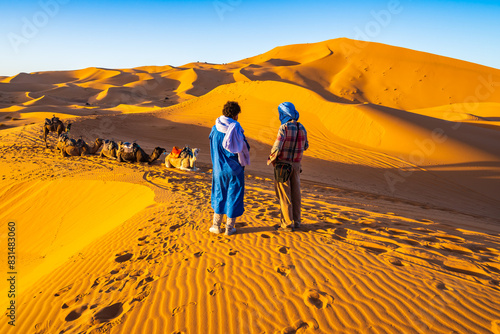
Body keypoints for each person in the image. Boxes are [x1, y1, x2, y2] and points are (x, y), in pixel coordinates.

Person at [209, 101, 250, 236]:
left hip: (219, 170)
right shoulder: (236, 129)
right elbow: (244, 148)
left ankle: (216, 226)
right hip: (235, 170)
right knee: (234, 195)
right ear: (235, 115)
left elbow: (212, 147)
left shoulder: (214, 129)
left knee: (219, 194)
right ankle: (229, 228)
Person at [267, 102, 309, 232]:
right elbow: (306, 146)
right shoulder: (301, 127)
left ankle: (286, 224)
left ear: (283, 114)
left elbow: (277, 146)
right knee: (296, 194)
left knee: (285, 195)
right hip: (296, 166)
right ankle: (297, 221)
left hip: (283, 166)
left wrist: (271, 159)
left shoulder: (284, 127)